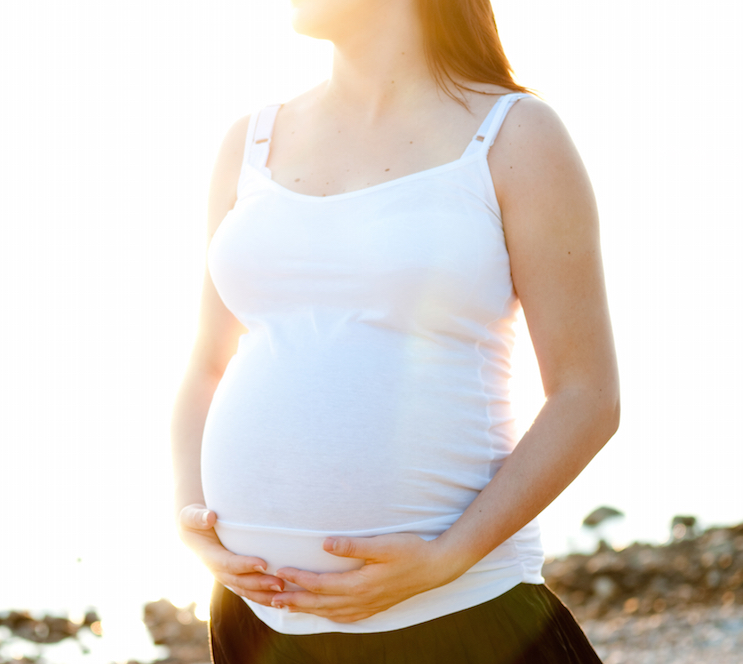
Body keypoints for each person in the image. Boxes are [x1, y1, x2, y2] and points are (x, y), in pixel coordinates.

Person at [170, 0, 619, 660]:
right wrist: (189, 518)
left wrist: (447, 558)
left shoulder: (516, 134)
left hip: (461, 620)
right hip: (259, 625)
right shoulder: (250, 140)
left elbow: (587, 396)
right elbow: (206, 365)